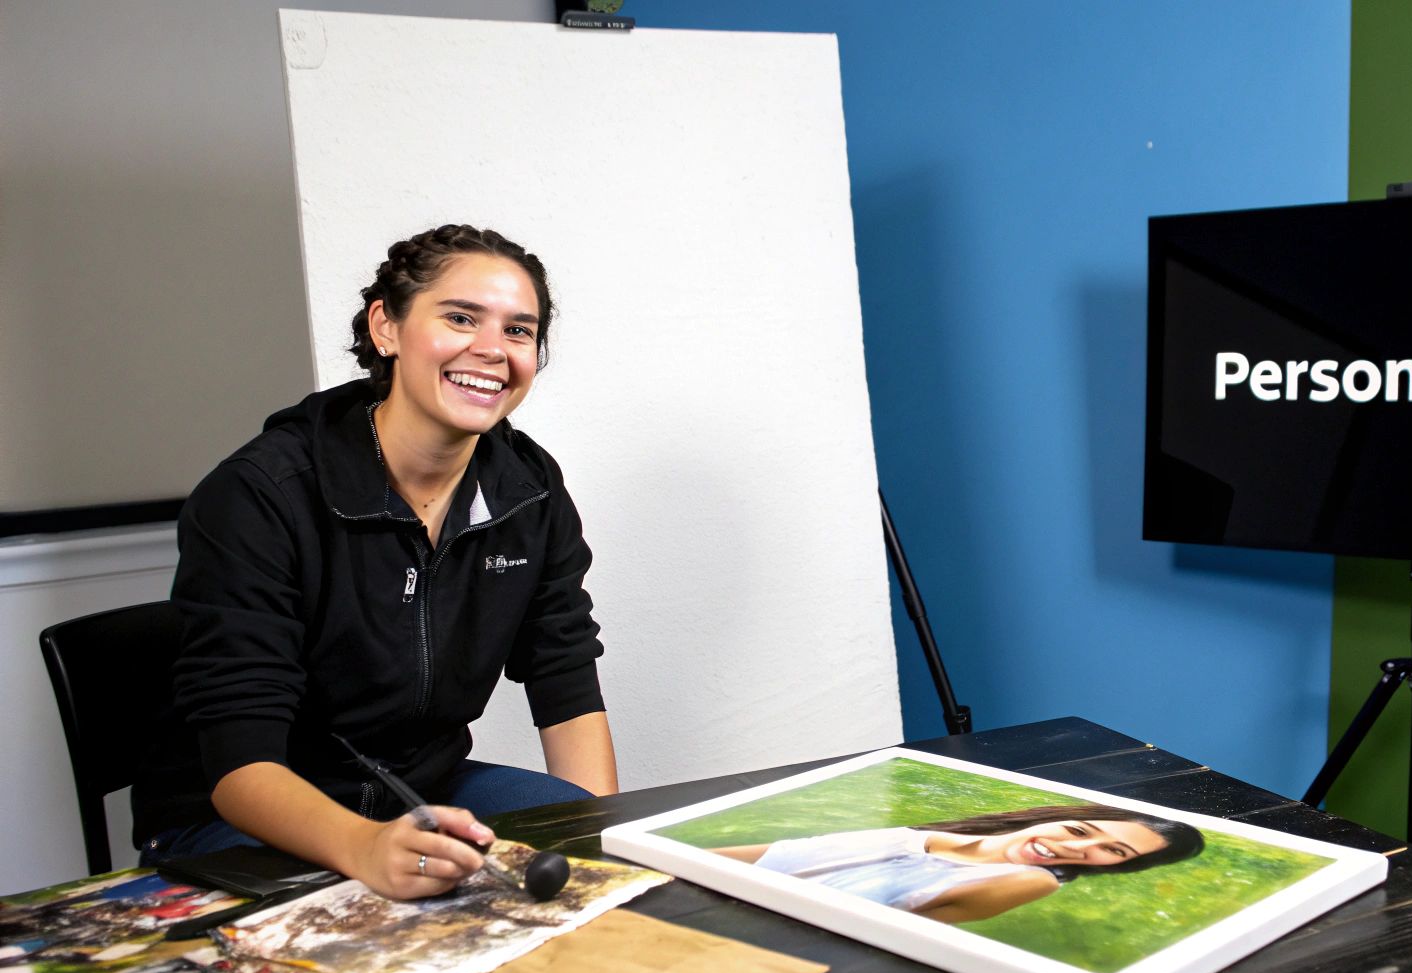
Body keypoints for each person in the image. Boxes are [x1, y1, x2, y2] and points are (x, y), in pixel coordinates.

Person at [132, 224, 616, 899]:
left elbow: (563, 674)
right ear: (385, 327)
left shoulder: (528, 488)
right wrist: (367, 849)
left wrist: (595, 837)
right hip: (238, 816)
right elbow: (242, 764)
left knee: (592, 876)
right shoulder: (259, 495)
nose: (492, 350)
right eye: (460, 318)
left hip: (424, 788)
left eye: (518, 331)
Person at [712, 805, 1204, 923]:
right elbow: (776, 855)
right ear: (1061, 816)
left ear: (1117, 867)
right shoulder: (913, 837)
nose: (1078, 849)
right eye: (1079, 830)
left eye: (1113, 852)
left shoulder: (1027, 881)